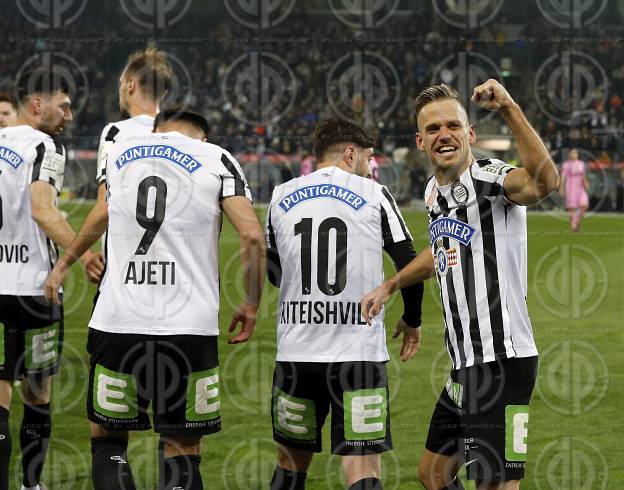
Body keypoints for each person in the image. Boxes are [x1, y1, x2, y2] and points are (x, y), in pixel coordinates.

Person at [44, 109, 266, 490]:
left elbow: (101, 213)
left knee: (108, 442)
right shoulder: (216, 157)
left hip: (118, 321)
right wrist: (251, 302)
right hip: (189, 329)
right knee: (182, 449)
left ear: (156, 130)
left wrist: (64, 263)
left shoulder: (120, 153)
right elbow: (252, 237)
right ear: (201, 136)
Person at [361, 81, 559, 490]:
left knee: (494, 482)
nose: (443, 135)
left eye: (453, 125)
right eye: (433, 129)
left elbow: (544, 183)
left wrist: (507, 106)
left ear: (470, 134)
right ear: (420, 140)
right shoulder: (435, 192)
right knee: (433, 473)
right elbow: (442, 249)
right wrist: (393, 284)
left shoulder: (490, 177)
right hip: (465, 363)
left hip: (500, 359)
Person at [266, 118, 424, 490]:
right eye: (368, 158)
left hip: (296, 354)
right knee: (363, 471)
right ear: (351, 152)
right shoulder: (374, 194)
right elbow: (409, 261)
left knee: (289, 468)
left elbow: (274, 273)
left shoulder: (280, 195)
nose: (370, 167)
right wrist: (412, 318)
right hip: (358, 354)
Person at [0, 68, 98, 490]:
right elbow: (42, 210)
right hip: (34, 290)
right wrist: (83, 252)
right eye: (64, 104)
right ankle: (32, 484)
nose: (70, 115)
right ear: (37, 104)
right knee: (37, 396)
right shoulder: (45, 145)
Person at [73, 44, 174, 286]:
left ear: (130, 84)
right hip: (172, 273)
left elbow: (104, 208)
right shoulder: (185, 136)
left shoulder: (116, 133)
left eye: (120, 83)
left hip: (124, 272)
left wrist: (67, 261)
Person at [559, 149, 589, 232]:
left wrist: (586, 182)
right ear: (569, 155)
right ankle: (574, 226)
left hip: (580, 186)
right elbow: (563, 177)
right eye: (572, 153)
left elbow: (583, 175)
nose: (573, 154)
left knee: (584, 204)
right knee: (572, 207)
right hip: (571, 187)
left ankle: (576, 221)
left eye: (575, 153)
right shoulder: (566, 165)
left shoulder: (581, 164)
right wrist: (561, 188)